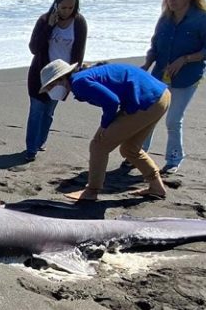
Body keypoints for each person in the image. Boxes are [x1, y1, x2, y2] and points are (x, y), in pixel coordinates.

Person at [39, 59, 171, 202]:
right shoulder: (85, 74)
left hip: (147, 101)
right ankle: (156, 187)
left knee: (98, 146)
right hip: (161, 96)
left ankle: (91, 191)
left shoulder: (79, 82)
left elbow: (112, 102)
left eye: (51, 85)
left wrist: (105, 125)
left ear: (61, 79)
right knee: (130, 149)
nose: (51, 90)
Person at [138, 0, 206, 174]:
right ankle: (138, 154)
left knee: (173, 119)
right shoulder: (165, 19)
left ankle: (174, 159)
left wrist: (185, 59)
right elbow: (155, 45)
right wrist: (147, 64)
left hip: (187, 77)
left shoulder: (203, 18)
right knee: (148, 116)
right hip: (159, 75)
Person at [24, 0, 88, 161]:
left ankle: (40, 141)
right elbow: (34, 48)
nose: (67, 11)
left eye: (70, 8)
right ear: (56, 5)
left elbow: (79, 52)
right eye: (63, 7)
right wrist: (49, 27)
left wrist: (71, 77)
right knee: (36, 111)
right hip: (41, 74)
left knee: (49, 112)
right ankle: (30, 149)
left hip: (63, 75)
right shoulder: (44, 20)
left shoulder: (79, 22)